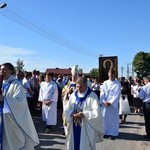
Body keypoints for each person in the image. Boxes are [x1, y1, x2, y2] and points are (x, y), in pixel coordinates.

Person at [0, 62, 39, 150]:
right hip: (1, 118)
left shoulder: (16, 85)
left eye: (4, 69)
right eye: (1, 69)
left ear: (11, 71)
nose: (2, 71)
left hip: (10, 120)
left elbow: (19, 103)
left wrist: (4, 100)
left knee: (10, 144)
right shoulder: (1, 82)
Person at [64, 77, 103, 150]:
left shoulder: (92, 96)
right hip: (74, 126)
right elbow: (66, 108)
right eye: (77, 86)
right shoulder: (73, 95)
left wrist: (84, 114)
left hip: (86, 127)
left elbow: (96, 112)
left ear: (86, 85)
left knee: (85, 146)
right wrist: (71, 114)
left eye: (80, 87)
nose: (78, 89)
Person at [100, 68, 121, 140]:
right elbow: (102, 92)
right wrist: (104, 101)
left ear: (114, 75)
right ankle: (105, 132)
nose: (110, 77)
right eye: (109, 76)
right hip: (105, 104)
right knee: (105, 119)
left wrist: (111, 102)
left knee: (113, 120)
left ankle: (112, 133)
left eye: (112, 76)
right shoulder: (105, 83)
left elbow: (117, 94)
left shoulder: (117, 83)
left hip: (112, 105)